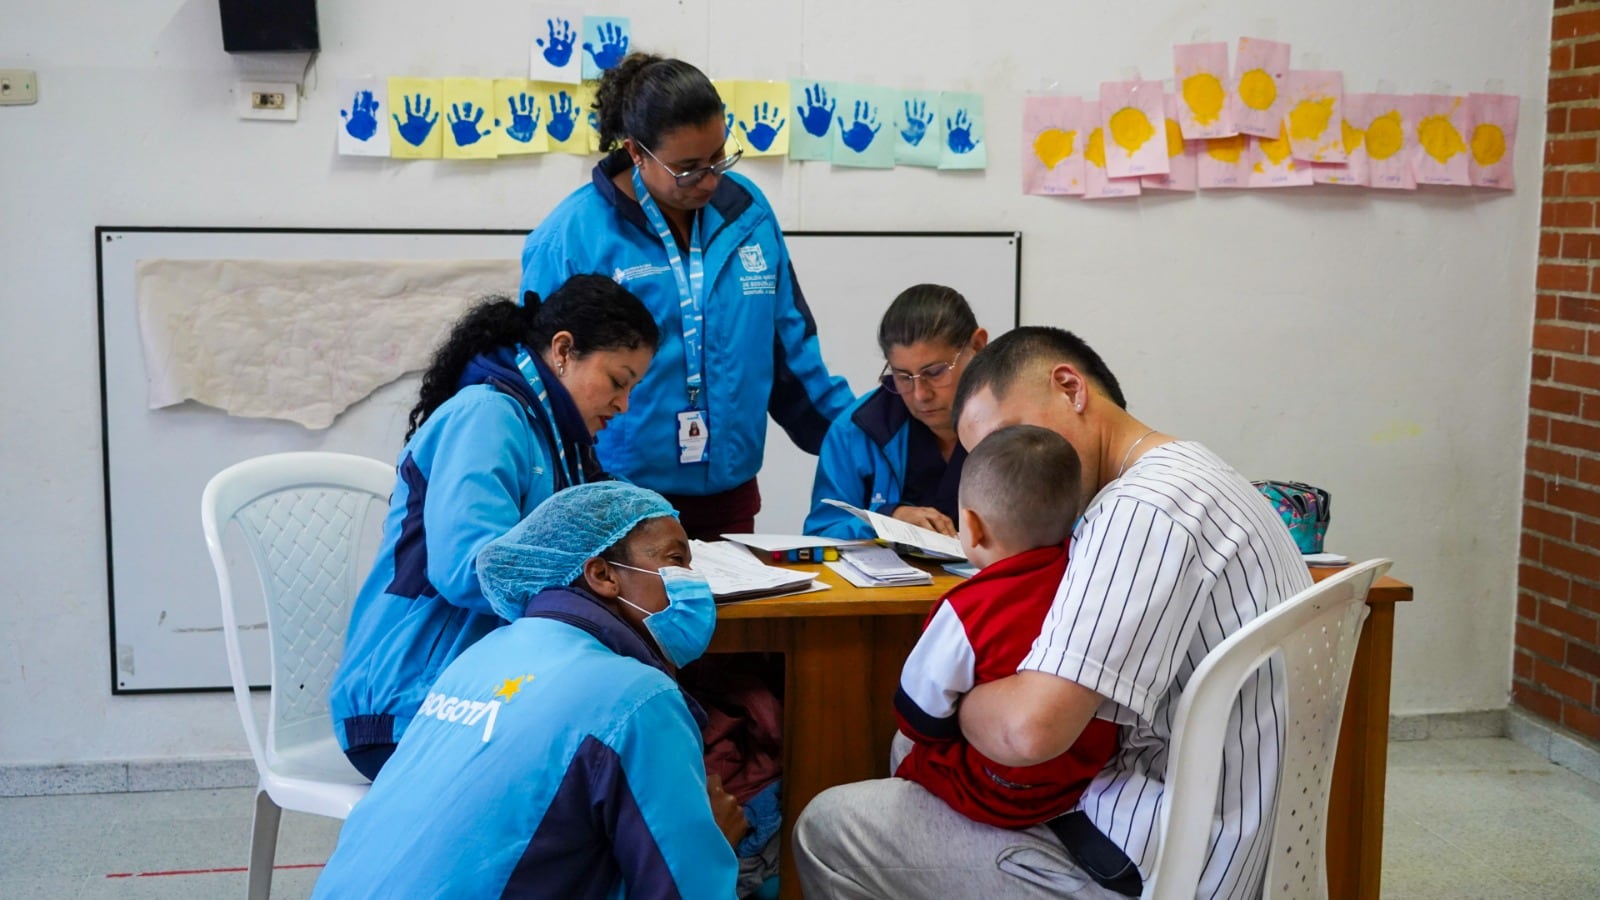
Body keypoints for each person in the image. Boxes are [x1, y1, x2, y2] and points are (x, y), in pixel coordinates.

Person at [794, 327, 1312, 899]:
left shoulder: (1139, 510)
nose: (1011, 470)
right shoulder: (1195, 472)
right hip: (1216, 816)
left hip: (1158, 856)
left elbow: (1028, 731)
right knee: (907, 749)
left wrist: (959, 706)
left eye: (1008, 438)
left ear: (1070, 387)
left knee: (828, 825)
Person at [312, 482, 747, 899]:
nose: (694, 581)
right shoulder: (637, 697)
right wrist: (712, 842)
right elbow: (686, 890)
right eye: (677, 560)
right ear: (601, 574)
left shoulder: (482, 656)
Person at [329, 276, 660, 780]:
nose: (624, 405)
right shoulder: (487, 415)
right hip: (411, 702)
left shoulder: (558, 437)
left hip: (487, 686)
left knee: (646, 731)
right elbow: (470, 568)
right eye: (618, 381)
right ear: (564, 351)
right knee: (613, 767)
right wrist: (598, 586)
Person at [519, 52, 854, 540]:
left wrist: (873, 439)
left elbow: (793, 357)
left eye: (719, 157)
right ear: (636, 152)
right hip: (613, 501)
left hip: (730, 499)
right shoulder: (571, 237)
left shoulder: (748, 214)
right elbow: (540, 386)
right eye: (688, 168)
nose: (711, 179)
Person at [892, 424, 1118, 830]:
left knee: (909, 750)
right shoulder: (1088, 581)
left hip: (996, 793)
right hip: (1077, 779)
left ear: (972, 527)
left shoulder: (965, 608)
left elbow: (917, 716)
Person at [804, 284, 988, 539]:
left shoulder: (1017, 422)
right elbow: (821, 534)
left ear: (977, 346)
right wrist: (885, 521)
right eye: (903, 377)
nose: (920, 394)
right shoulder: (856, 430)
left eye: (935, 372)